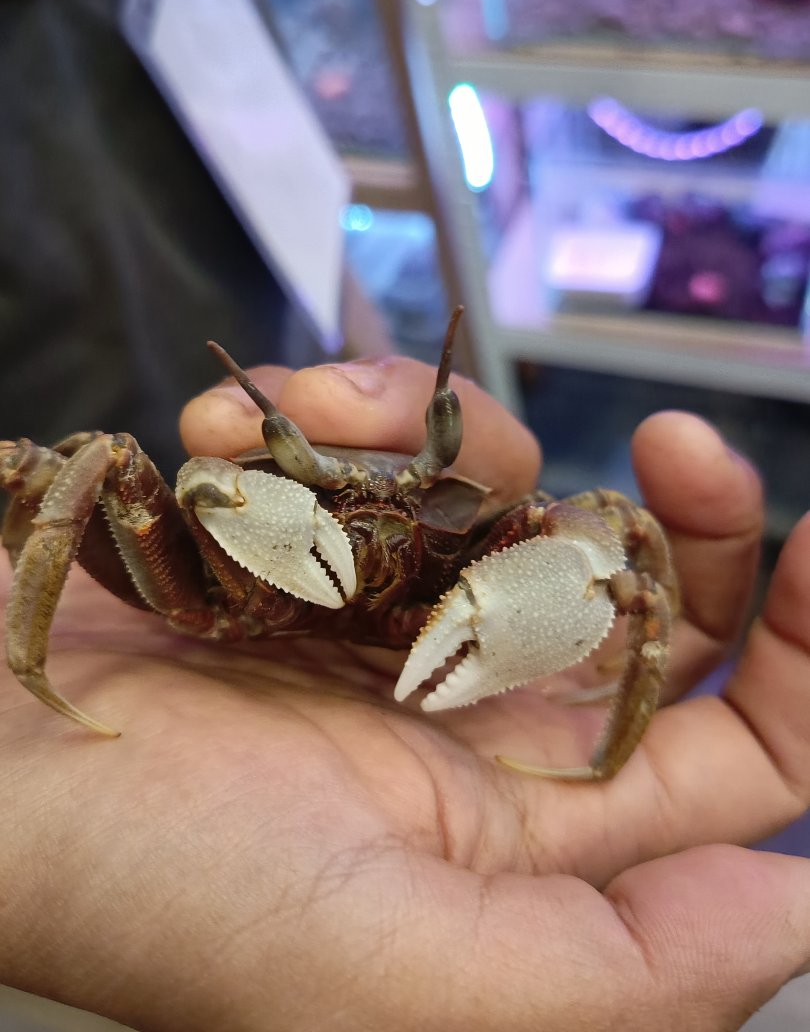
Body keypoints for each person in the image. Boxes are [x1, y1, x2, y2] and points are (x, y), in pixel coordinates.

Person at [0, 352, 808, 1032]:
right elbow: (98, 469)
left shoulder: (506, 533)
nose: (371, 530)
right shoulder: (165, 569)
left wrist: (599, 662)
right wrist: (30, 652)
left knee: (605, 527)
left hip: (442, 621)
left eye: (408, 506)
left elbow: (615, 547)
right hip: (217, 596)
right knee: (77, 460)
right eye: (320, 503)